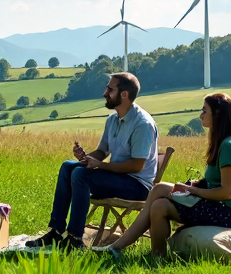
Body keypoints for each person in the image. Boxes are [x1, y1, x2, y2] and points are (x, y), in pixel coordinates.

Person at [102, 92, 231, 258]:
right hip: (220, 206)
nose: (200, 115)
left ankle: (116, 248)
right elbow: (216, 183)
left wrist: (193, 191)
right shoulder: (224, 142)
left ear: (217, 115)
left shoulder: (229, 146)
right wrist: (194, 186)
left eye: (205, 111)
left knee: (159, 189)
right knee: (159, 205)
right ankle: (157, 257)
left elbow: (226, 192)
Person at [26, 72, 159, 250]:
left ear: (124, 94)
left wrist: (101, 165)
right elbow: (102, 151)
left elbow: (137, 166)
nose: (105, 93)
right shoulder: (113, 120)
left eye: (110, 89)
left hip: (137, 185)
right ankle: (57, 232)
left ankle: (74, 238)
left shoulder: (142, 124)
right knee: (68, 167)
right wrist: (86, 157)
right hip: (117, 176)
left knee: (81, 175)